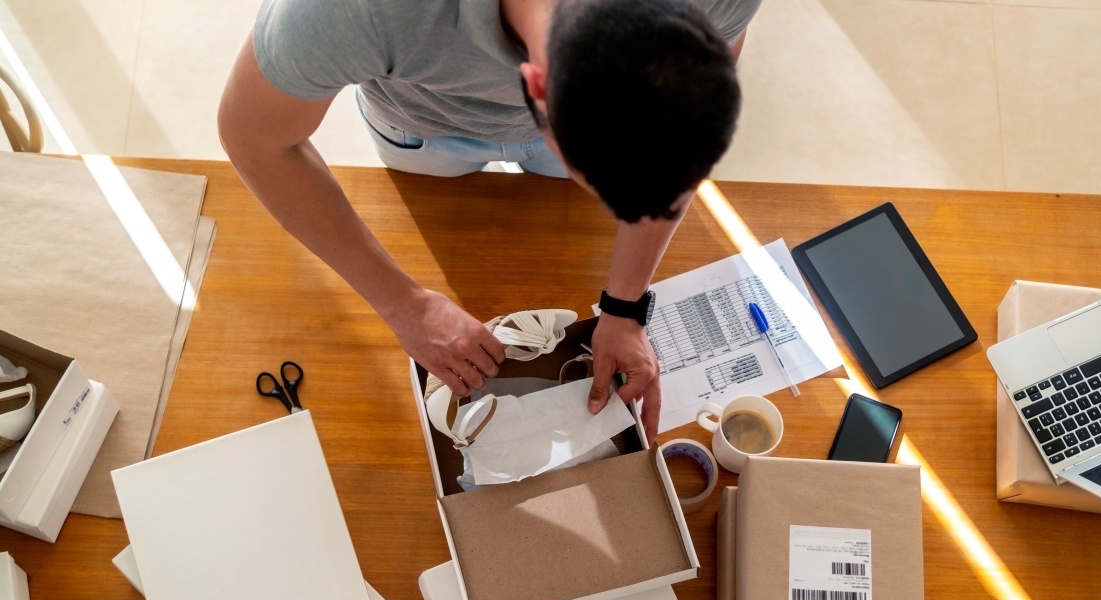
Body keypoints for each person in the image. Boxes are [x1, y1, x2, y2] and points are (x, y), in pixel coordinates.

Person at [218, 0, 760, 442]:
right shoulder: (356, 11)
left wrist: (625, 307)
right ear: (536, 89)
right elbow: (256, 139)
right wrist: (402, 303)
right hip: (422, 125)